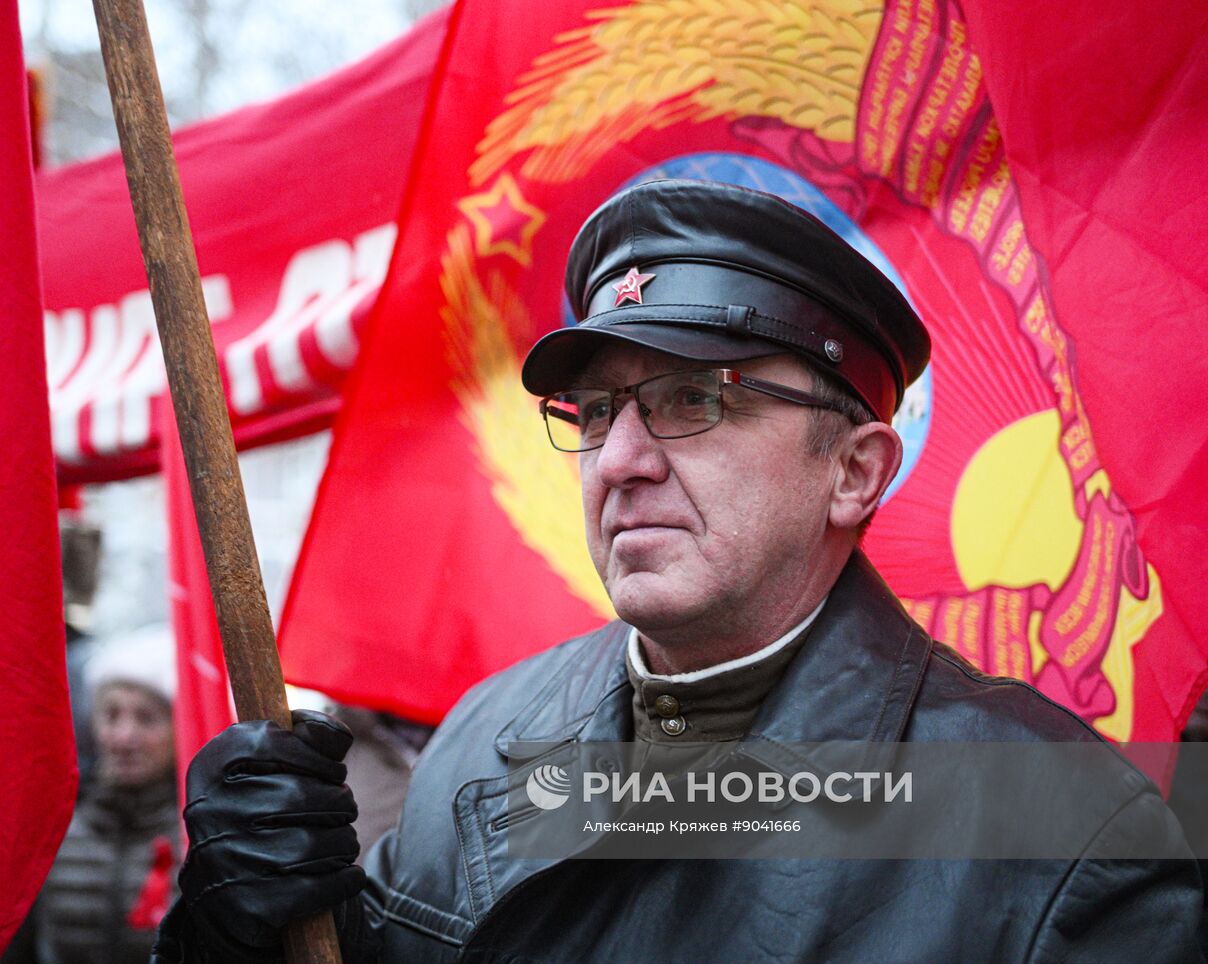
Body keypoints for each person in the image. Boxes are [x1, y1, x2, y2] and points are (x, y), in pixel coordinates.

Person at [154, 180, 1204, 961]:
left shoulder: (1058, 828)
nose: (618, 461)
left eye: (693, 400)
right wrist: (230, 922)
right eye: (599, 410)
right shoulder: (488, 736)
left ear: (852, 470)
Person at [29, 624, 183, 964]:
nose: (124, 736)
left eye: (147, 719)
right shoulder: (54, 823)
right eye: (111, 715)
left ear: (179, 729)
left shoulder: (199, 836)